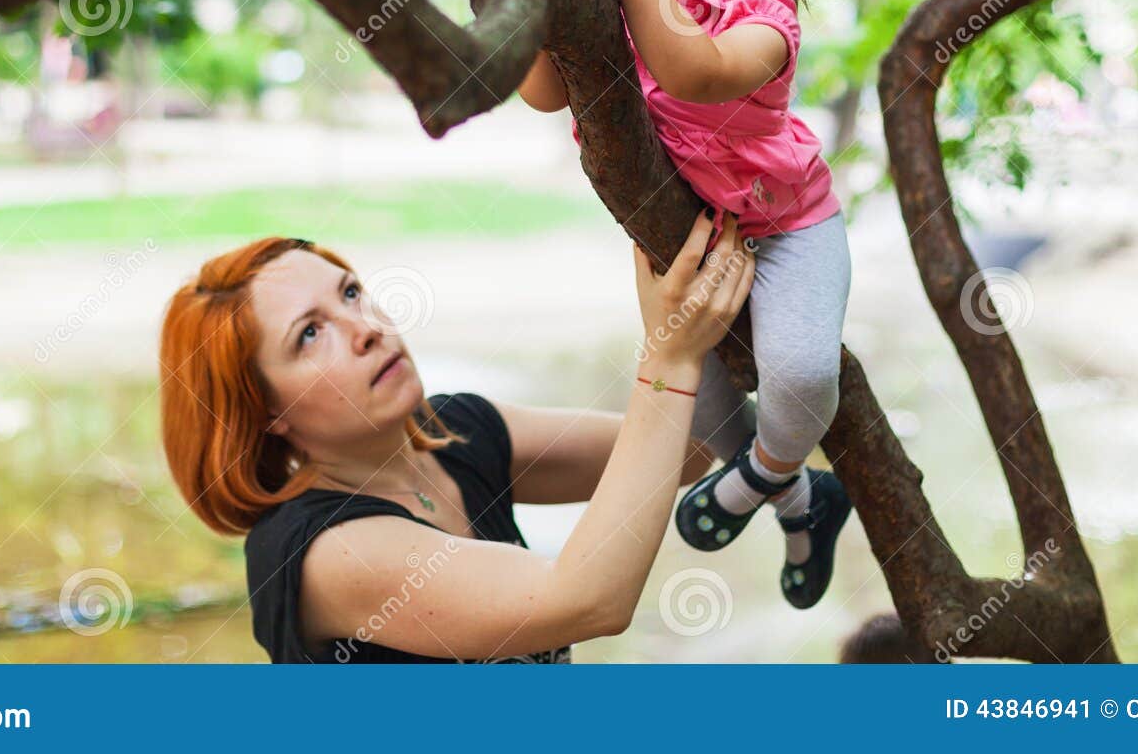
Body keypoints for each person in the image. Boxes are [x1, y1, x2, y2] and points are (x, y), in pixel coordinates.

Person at [518, 0, 853, 609]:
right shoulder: (622, 3)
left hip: (789, 228)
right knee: (695, 414)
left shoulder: (761, 14)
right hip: (698, 242)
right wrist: (543, 6)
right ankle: (807, 501)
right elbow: (540, 94)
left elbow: (697, 71)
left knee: (802, 371)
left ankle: (767, 477)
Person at [158, 208, 754, 663]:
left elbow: (688, 454)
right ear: (265, 413)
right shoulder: (323, 552)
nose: (364, 328)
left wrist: (708, 289)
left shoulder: (453, 431)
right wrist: (668, 357)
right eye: (309, 335)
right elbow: (589, 599)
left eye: (349, 293)